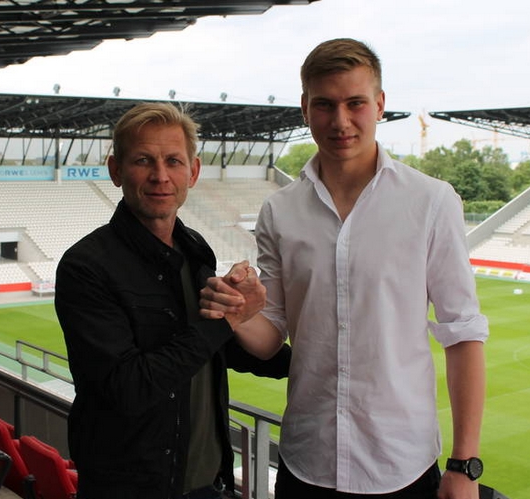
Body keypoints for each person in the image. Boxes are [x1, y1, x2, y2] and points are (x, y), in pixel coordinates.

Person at [200, 38, 489, 499]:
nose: (340, 121)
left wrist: (464, 466)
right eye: (325, 105)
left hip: (402, 464)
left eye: (355, 103)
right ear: (304, 109)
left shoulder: (431, 202)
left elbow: (463, 334)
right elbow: (271, 333)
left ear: (379, 105)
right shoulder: (279, 211)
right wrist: (237, 312)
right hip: (307, 461)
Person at [54, 102, 290, 499]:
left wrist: (303, 365)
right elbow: (128, 388)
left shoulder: (193, 247)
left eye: (174, 161)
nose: (160, 176)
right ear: (116, 170)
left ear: (193, 172)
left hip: (208, 483)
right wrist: (226, 320)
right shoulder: (86, 266)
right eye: (143, 160)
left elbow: (213, 350)